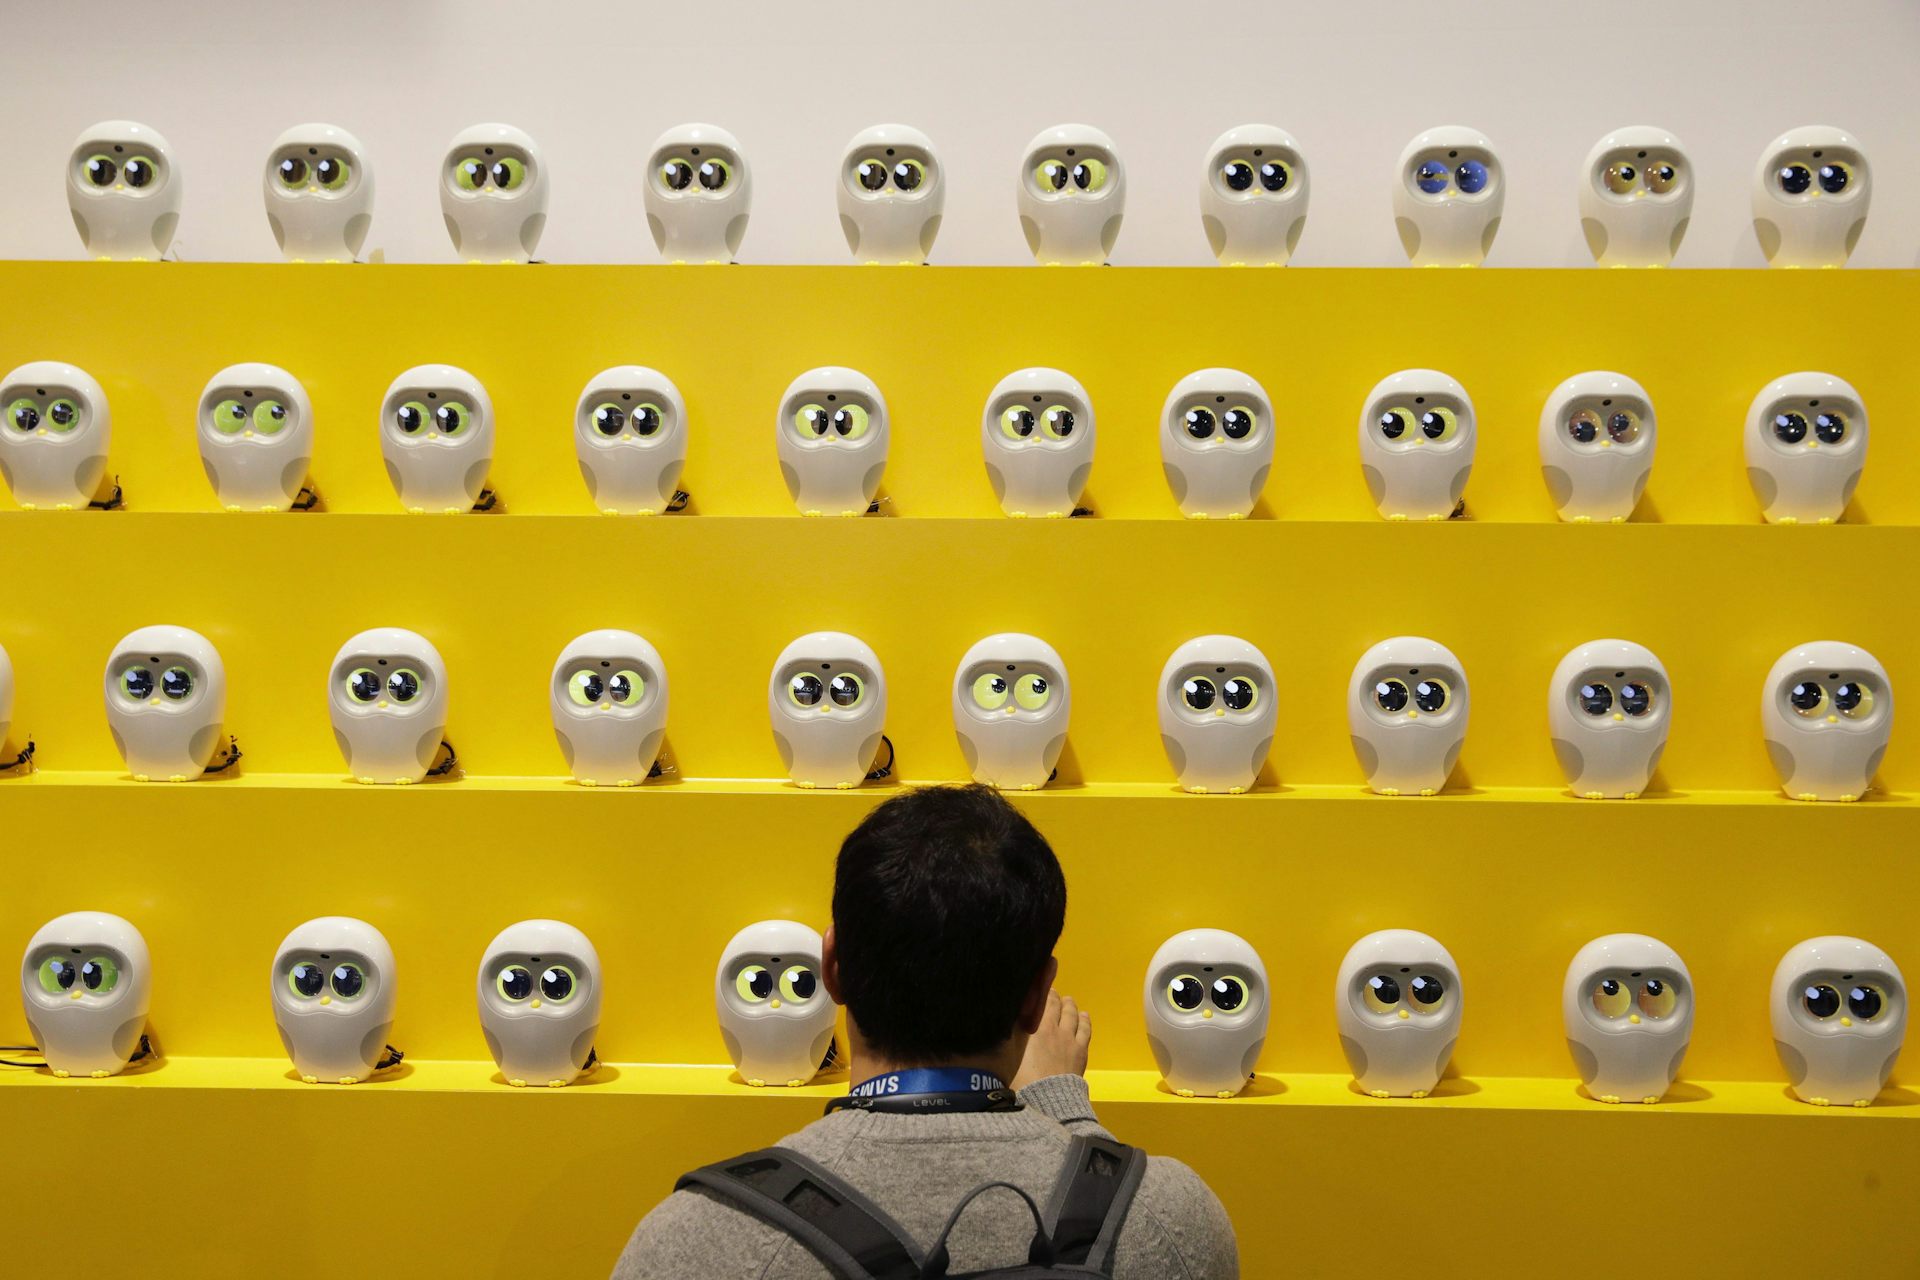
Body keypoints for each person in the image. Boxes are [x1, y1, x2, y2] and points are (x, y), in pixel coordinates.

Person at [612, 784, 1238, 1279]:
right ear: (1037, 995)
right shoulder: (1173, 1219)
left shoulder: (700, 1239)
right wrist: (1068, 1125)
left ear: (832, 969)